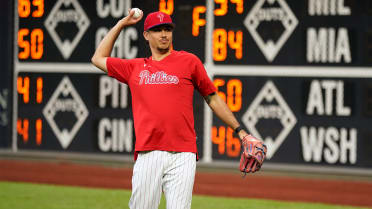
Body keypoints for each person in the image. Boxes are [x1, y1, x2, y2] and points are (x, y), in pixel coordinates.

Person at [91, 9, 254, 209]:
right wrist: (121, 25)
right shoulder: (135, 67)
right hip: (148, 152)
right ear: (146, 35)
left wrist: (241, 132)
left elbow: (212, 98)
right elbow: (98, 58)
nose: (164, 34)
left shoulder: (189, 62)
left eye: (167, 29)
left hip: (183, 154)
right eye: (157, 30)